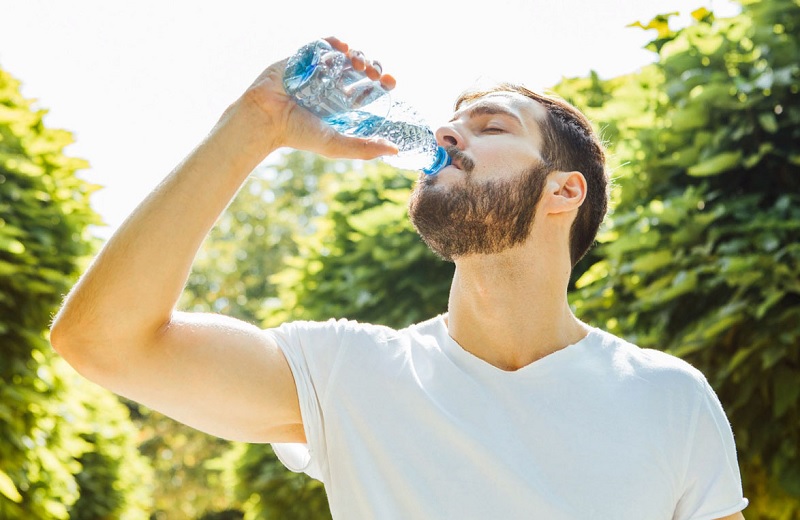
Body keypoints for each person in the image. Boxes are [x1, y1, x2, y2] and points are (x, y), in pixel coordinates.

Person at [51, 36, 748, 519]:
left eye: (491, 127)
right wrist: (254, 122)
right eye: (450, 125)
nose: (446, 135)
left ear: (563, 191)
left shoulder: (668, 398)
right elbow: (101, 341)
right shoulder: (348, 374)